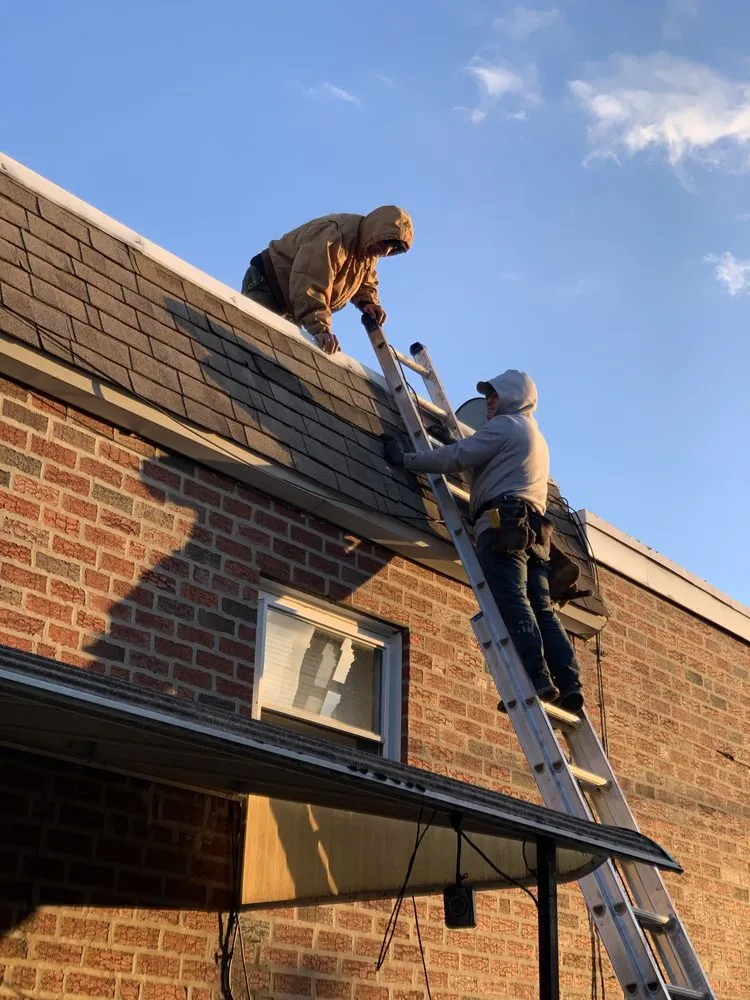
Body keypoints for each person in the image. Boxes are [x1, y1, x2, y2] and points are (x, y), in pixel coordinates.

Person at [382, 370, 584, 714]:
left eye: (495, 395)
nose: (489, 401)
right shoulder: (536, 437)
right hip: (536, 533)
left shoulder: (507, 426)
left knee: (510, 598)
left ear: (513, 397)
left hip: (504, 523)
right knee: (542, 608)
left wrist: (408, 460)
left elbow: (457, 458)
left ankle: (535, 677)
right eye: (488, 395)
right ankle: (569, 683)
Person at [241, 206, 413, 355]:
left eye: (393, 249)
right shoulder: (334, 236)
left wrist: (368, 302)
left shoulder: (368, 249)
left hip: (290, 303)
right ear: (376, 232)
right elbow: (309, 281)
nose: (385, 252)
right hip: (268, 286)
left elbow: (364, 279)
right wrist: (320, 328)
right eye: (385, 244)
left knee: (278, 358)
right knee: (251, 345)